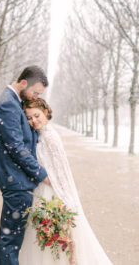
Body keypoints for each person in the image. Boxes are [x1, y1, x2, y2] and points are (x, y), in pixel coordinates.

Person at [19, 98, 113, 265]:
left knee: (57, 238)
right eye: (29, 118)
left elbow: (62, 171)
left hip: (52, 192)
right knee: (43, 237)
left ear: (46, 112)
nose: (33, 120)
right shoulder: (41, 135)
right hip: (41, 191)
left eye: (36, 115)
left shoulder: (51, 137)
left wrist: (65, 198)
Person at [0, 66, 51, 265]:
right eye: (35, 92)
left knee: (13, 236)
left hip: (17, 180)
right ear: (23, 83)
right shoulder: (8, 104)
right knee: (10, 239)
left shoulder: (15, 102)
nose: (34, 96)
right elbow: (16, 147)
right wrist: (42, 174)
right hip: (16, 181)